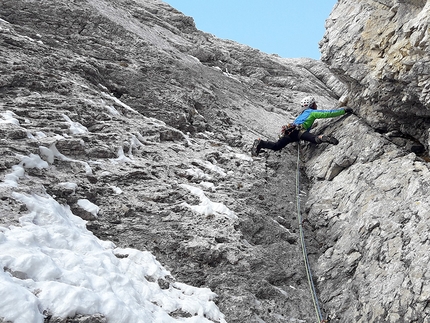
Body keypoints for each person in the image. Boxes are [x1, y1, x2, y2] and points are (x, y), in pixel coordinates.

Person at [251, 96, 353, 156]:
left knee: (277, 146)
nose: (316, 105)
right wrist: (343, 110)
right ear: (312, 105)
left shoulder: (300, 116)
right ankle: (324, 138)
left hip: (289, 132)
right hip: (298, 132)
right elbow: (327, 113)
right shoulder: (312, 112)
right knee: (313, 139)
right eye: (315, 104)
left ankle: (261, 143)